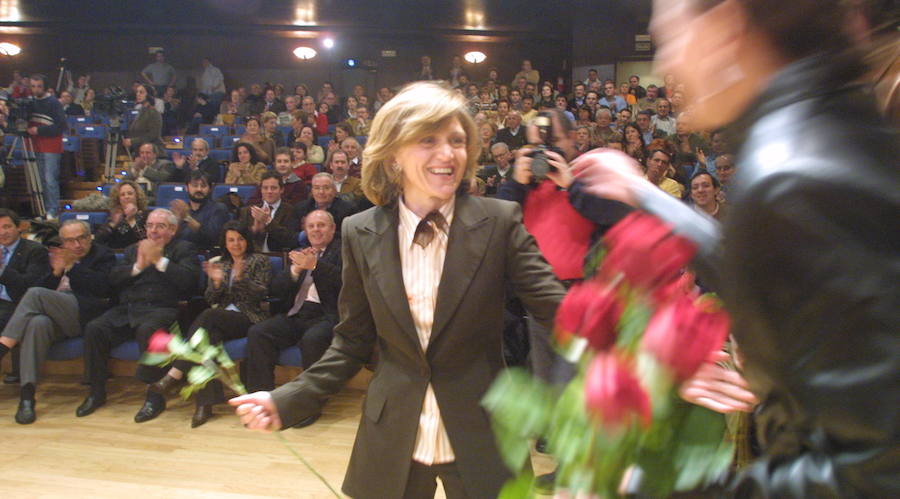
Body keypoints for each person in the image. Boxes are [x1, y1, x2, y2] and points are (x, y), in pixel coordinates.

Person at [574, 0, 899, 496]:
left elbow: (876, 472)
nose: (667, 65)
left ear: (724, 27)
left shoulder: (791, 176)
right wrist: (643, 195)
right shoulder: (828, 126)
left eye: (669, 39)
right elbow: (786, 261)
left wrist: (667, 491)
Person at [230, 81, 567, 499]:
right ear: (393, 153)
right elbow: (351, 341)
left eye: (457, 141)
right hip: (392, 433)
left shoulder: (500, 221)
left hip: (484, 432)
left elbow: (561, 312)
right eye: (429, 140)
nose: (448, 154)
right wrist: (288, 400)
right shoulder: (360, 230)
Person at [77, 209, 200, 421]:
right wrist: (138, 266)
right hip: (128, 308)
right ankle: (96, 392)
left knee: (148, 330)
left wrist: (160, 261)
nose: (153, 231)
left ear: (172, 229)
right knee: (95, 328)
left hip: (163, 308)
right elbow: (113, 279)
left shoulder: (183, 248)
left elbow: (189, 281)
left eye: (160, 226)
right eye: (150, 226)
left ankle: (155, 397)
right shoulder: (133, 249)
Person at [156, 221, 271, 427]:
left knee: (208, 317)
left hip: (248, 318)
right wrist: (217, 283)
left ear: (247, 241)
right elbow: (210, 297)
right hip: (220, 321)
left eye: (240, 239)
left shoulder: (259, 260)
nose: (236, 244)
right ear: (225, 243)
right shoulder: (220, 263)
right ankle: (204, 404)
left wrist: (242, 278)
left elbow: (261, 293)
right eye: (231, 240)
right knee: (207, 340)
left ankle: (176, 372)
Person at [0, 220, 115, 424]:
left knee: (35, 295)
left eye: (81, 238)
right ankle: (27, 397)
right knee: (37, 323)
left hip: (86, 315)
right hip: (58, 317)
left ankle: (4, 345)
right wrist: (55, 272)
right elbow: (42, 287)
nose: (77, 245)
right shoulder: (55, 257)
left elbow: (104, 289)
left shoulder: (103, 255)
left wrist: (72, 267)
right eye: (70, 241)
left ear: (90, 237)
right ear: (63, 242)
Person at [244, 210, 341, 425]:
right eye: (311, 226)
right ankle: (262, 401)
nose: (316, 230)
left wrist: (315, 266)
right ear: (305, 230)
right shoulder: (299, 252)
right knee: (259, 332)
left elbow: (345, 281)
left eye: (321, 225)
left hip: (327, 315)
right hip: (296, 313)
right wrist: (294, 271)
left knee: (313, 339)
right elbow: (275, 290)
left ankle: (309, 405)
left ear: (333, 229)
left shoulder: (344, 250)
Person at [0, 208, 50, 335]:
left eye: (7, 227)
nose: (2, 232)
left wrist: (2, 268)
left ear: (19, 228)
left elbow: (27, 286)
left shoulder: (35, 251)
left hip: (17, 304)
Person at [25, 74, 66, 219]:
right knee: (40, 179)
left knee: (49, 179)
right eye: (33, 86)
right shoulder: (29, 103)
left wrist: (39, 130)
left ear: (45, 87)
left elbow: (61, 126)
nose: (35, 89)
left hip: (51, 146)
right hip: (35, 145)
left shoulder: (53, 102)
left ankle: (53, 210)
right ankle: (43, 210)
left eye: (39, 86)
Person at [238, 171, 299, 252]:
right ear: (261, 190)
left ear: (281, 190)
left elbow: (290, 240)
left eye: (273, 188)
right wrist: (254, 230)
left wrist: (268, 221)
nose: (269, 191)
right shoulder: (247, 211)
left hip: (278, 256)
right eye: (265, 188)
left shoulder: (290, 211)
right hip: (252, 257)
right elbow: (240, 238)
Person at [171, 171, 231, 251]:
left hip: (205, 255)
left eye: (203, 186)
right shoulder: (183, 209)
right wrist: (177, 220)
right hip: (179, 253)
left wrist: (187, 218)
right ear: (186, 187)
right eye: (195, 185)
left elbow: (212, 238)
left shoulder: (219, 209)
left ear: (210, 188)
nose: (199, 189)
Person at [94, 180, 148, 250]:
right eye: (122, 195)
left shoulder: (146, 215)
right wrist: (113, 224)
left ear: (136, 196)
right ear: (118, 199)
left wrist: (131, 219)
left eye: (130, 193)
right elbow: (98, 240)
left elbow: (144, 240)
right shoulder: (115, 216)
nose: (126, 197)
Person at [122, 84, 164, 157]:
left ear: (148, 95)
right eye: (137, 92)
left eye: (141, 92)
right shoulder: (141, 111)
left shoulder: (153, 113)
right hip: (139, 151)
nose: (138, 94)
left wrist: (132, 141)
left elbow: (153, 135)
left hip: (152, 153)